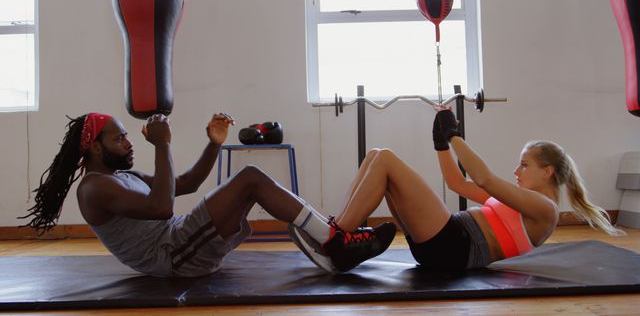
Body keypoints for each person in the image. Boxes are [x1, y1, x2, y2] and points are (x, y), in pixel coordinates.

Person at [21, 112, 396, 277]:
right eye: (119, 138)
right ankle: (333, 242)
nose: (128, 142)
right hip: (173, 256)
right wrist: (162, 144)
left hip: (179, 240)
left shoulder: (121, 177)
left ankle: (329, 249)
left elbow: (185, 184)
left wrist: (213, 145)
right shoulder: (94, 188)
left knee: (250, 184)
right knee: (249, 179)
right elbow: (163, 207)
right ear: (96, 149)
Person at [291, 109, 623, 271]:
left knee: (387, 159)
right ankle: (341, 234)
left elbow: (484, 179)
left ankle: (336, 240)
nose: (516, 171)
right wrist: (441, 144)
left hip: (454, 247)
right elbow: (458, 183)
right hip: (446, 242)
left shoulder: (545, 211)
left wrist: (455, 137)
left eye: (524, 165)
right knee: (378, 155)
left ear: (547, 171)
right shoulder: (522, 204)